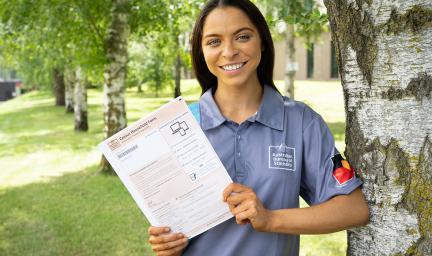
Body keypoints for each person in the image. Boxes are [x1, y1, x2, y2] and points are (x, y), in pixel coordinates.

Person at [148, 0, 370, 255]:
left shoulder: (300, 122)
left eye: (242, 37)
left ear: (262, 41)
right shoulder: (176, 126)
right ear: (201, 51)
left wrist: (270, 219)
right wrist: (169, 246)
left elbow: (354, 209)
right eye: (214, 41)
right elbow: (171, 223)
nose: (229, 51)